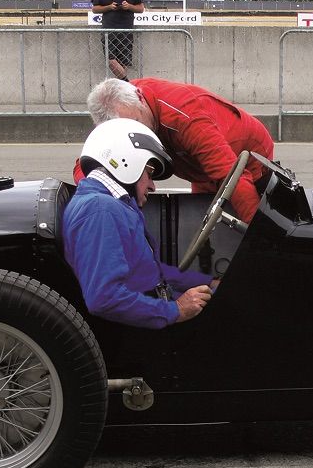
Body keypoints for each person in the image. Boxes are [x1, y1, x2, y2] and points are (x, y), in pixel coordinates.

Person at [63, 118, 215, 329]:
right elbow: (104, 298)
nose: (152, 186)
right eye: (150, 173)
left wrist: (207, 282)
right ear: (126, 162)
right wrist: (176, 310)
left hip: (153, 306)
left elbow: (152, 270)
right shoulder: (100, 210)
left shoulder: (112, 204)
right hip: (138, 329)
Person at [83, 77, 275, 223]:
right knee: (200, 217)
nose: (135, 132)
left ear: (140, 98)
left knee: (239, 213)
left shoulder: (184, 116)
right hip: (194, 165)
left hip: (247, 152)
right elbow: (93, 162)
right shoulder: (118, 110)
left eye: (136, 123)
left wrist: (260, 239)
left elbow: (231, 176)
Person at [90, 0, 144, 80]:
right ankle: (128, 84)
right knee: (111, 60)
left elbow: (141, 8)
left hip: (126, 30)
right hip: (108, 30)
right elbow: (95, 9)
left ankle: (122, 90)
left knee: (123, 62)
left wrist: (129, 6)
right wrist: (109, 7)